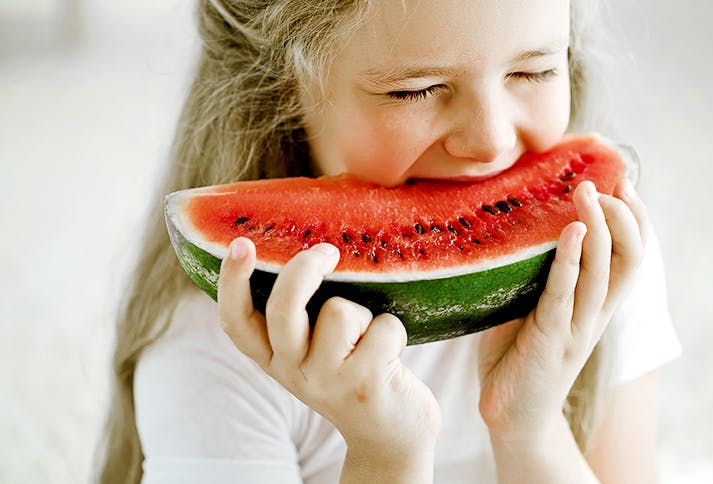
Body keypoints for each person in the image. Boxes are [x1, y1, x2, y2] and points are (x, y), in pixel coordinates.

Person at [96, 0, 681, 483]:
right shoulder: (215, 351)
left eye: (533, 71)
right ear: (282, 97)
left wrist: (529, 427)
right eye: (416, 90)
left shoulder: (598, 256)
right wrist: (385, 454)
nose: (490, 137)